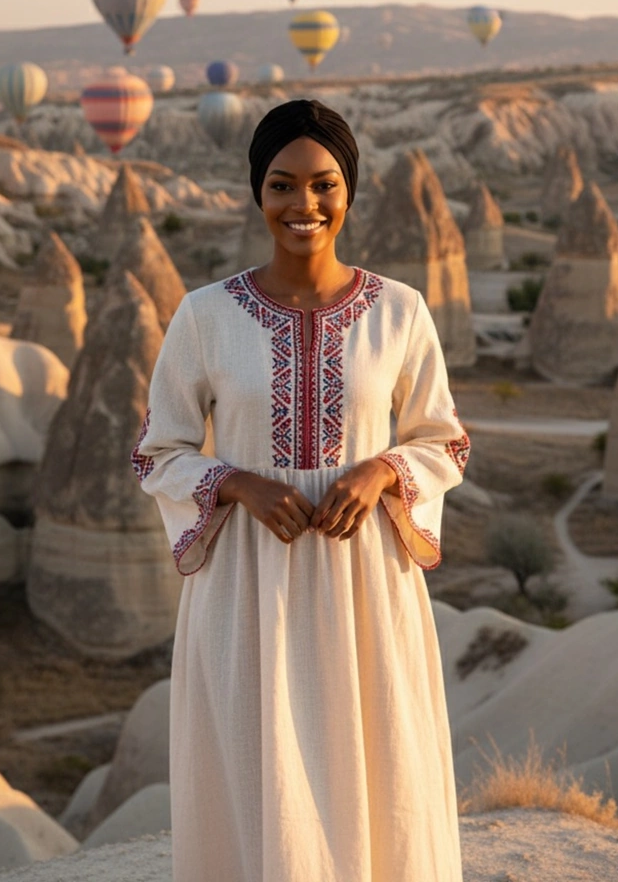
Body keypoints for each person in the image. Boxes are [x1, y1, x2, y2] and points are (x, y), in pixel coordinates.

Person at [131, 98, 469, 881]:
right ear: (258, 193)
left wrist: (383, 469)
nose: (303, 205)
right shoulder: (205, 316)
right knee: (257, 774)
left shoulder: (399, 311)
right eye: (282, 185)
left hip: (365, 589)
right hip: (248, 589)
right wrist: (235, 482)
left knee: (376, 763)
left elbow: (444, 439)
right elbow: (156, 454)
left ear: (348, 190)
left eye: (322, 184)